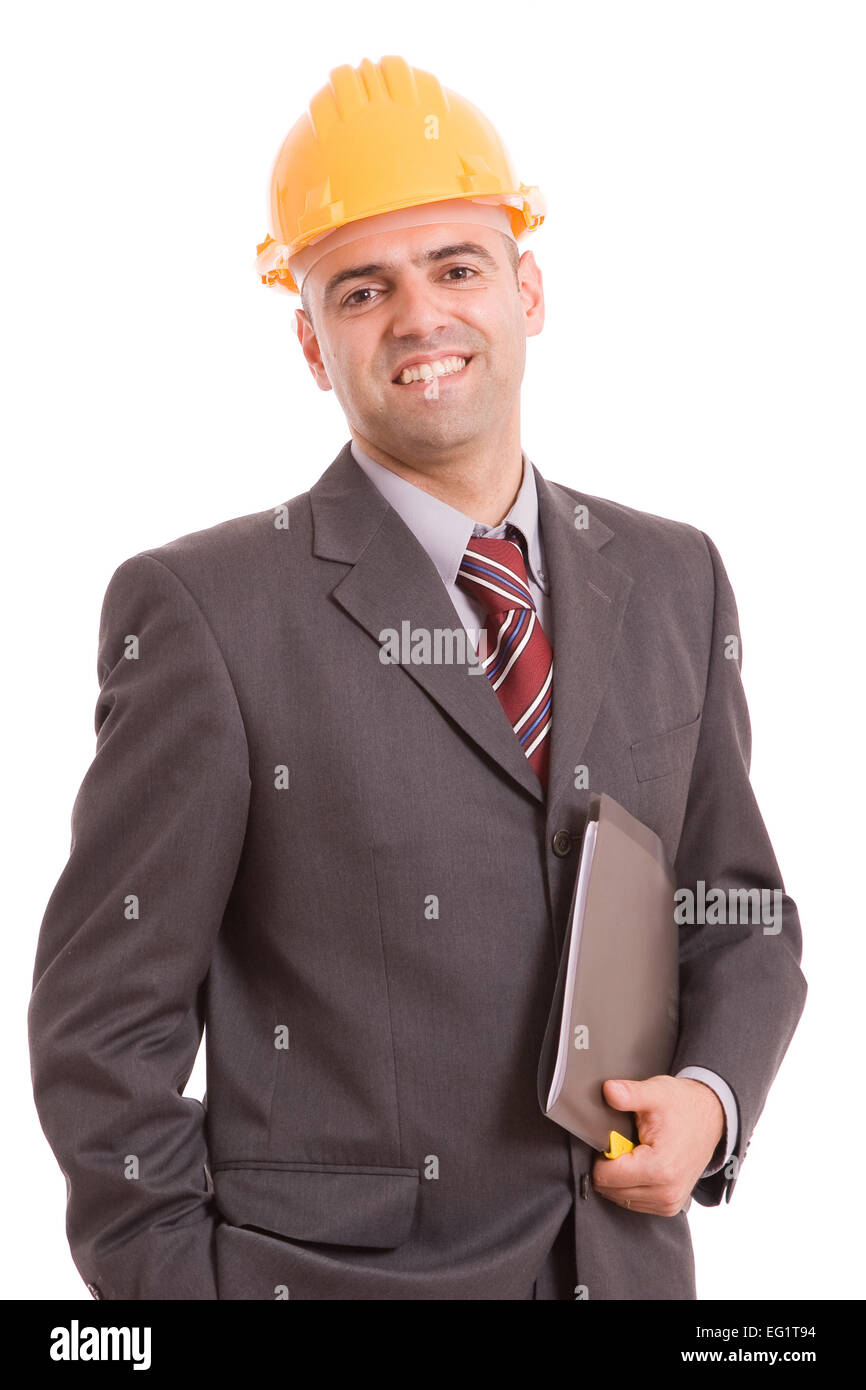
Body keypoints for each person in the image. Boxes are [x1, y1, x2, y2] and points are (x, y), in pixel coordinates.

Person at [28, 54, 806, 1301]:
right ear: (307, 339)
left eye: (456, 266)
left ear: (526, 285)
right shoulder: (205, 614)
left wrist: (710, 1101)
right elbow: (102, 1029)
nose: (420, 318)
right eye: (360, 288)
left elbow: (737, 907)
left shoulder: (674, 577)